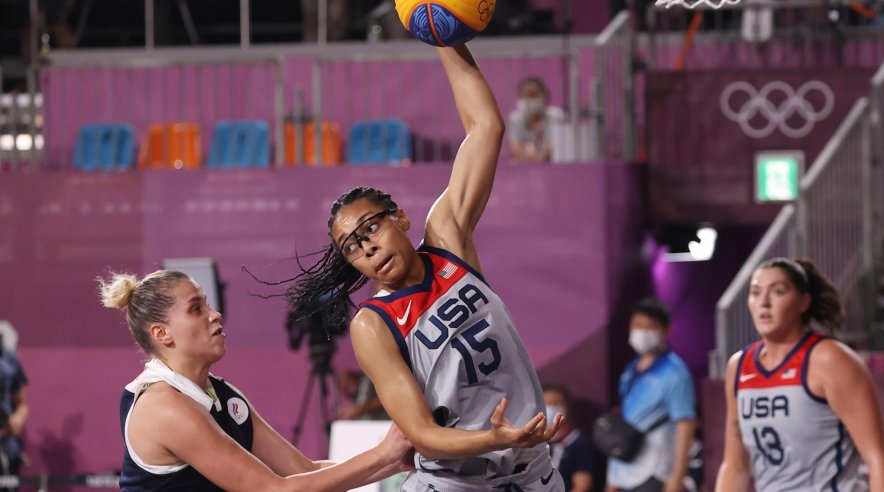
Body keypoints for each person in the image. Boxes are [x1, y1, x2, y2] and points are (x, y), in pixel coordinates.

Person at [280, 43, 565, 491]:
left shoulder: (448, 240)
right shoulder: (373, 325)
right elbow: (423, 435)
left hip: (532, 473)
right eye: (352, 247)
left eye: (371, 228)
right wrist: (490, 438)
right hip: (455, 483)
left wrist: (445, 37)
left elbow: (486, 128)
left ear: (401, 219)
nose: (367, 248)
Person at [98, 270, 414, 491]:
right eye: (197, 309)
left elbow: (304, 472)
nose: (215, 314)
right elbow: (274, 489)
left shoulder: (223, 395)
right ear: (161, 333)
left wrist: (393, 463)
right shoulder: (162, 408)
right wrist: (381, 455)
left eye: (207, 303)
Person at [714, 258, 884, 491]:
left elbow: (879, 461)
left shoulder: (830, 359)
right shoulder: (738, 367)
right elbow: (735, 466)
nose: (765, 303)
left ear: (803, 302)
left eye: (778, 292)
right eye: (756, 293)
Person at [606, 299, 696, 492]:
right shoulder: (630, 370)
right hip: (624, 471)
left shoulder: (675, 373)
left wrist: (676, 478)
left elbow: (685, 425)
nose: (642, 332)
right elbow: (623, 423)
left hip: (654, 472)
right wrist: (612, 477)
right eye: (638, 325)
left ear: (666, 331)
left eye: (650, 327)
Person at [543, 385, 598, 492]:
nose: (551, 407)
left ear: (567, 407)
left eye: (556, 403)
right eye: (547, 403)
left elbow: (582, 485)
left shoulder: (578, 443)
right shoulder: (530, 440)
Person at [508, 76, 566, 162]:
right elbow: (517, 151)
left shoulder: (556, 116)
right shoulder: (515, 119)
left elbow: (555, 149)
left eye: (533, 95)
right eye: (524, 96)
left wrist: (540, 156)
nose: (528, 100)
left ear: (544, 96)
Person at [0, 334, 28, 490]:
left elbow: (22, 405)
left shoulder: (9, 358)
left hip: (5, 438)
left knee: (13, 455)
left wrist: (18, 417)